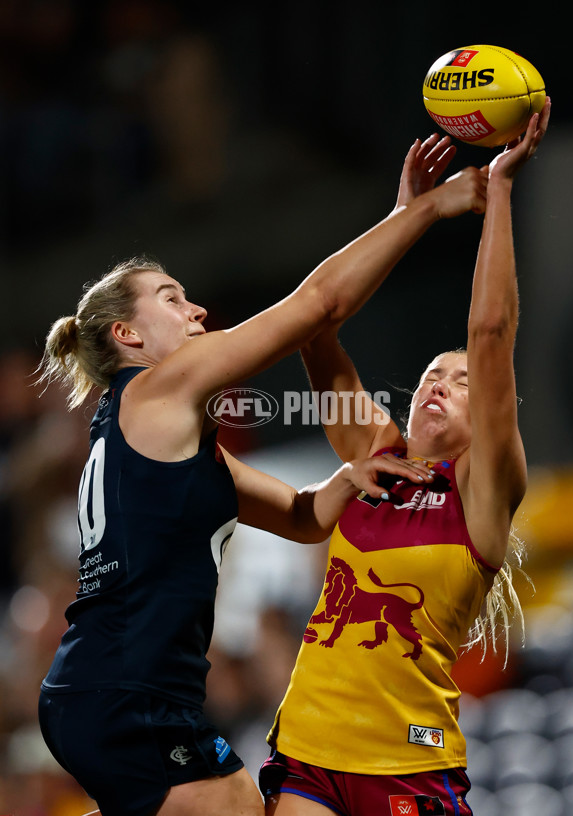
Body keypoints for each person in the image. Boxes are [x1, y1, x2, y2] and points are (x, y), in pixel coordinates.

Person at [36, 141, 487, 816]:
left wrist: (346, 476)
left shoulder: (165, 436)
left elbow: (303, 519)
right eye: (172, 299)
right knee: (239, 807)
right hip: (126, 690)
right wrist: (420, 212)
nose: (196, 314)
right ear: (127, 334)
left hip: (117, 690)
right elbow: (319, 304)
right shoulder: (159, 387)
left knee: (244, 804)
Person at [260, 98, 552, 816]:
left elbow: (488, 334)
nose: (438, 383)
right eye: (430, 373)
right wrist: (404, 220)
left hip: (409, 765)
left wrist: (502, 190)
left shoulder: (482, 490)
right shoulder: (374, 454)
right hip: (308, 752)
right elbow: (314, 326)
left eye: (458, 383)